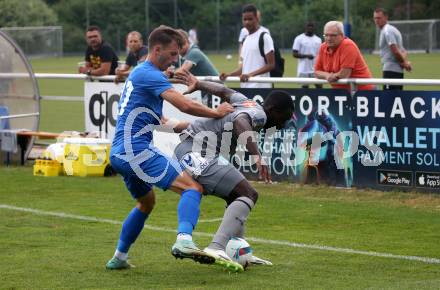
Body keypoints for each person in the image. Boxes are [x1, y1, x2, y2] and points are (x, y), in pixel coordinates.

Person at [105, 25, 239, 272]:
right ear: (157, 50)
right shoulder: (149, 74)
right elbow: (185, 104)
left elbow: (166, 123)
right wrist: (216, 112)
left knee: (147, 203)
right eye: (173, 53)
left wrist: (204, 126)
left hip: (119, 154)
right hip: (136, 150)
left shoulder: (142, 75)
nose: (176, 59)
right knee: (193, 187)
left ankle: (119, 257)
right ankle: (184, 241)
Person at [172, 70, 294, 267]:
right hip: (195, 150)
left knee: (237, 195)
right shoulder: (260, 115)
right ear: (272, 109)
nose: (283, 123)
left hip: (193, 148)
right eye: (284, 117)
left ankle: (240, 250)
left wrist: (199, 83)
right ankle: (216, 247)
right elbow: (239, 121)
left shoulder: (248, 102)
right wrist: (257, 155)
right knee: (249, 193)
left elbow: (223, 90)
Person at [220, 4, 275, 88]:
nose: (247, 22)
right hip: (246, 88)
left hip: (261, 89)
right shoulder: (245, 40)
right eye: (244, 19)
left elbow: (271, 64)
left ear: (257, 18)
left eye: (250, 19)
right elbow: (243, 68)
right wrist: (229, 75)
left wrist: (250, 75)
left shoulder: (264, 37)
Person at [314, 21, 375, 91]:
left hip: (364, 92)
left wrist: (332, 76)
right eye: (326, 35)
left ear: (342, 35)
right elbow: (316, 72)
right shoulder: (323, 47)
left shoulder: (347, 45)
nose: (328, 38)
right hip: (341, 93)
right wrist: (327, 75)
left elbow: (345, 74)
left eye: (332, 35)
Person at [373, 7, 412, 90]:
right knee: (396, 100)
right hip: (397, 71)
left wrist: (404, 63)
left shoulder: (387, 31)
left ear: (386, 17)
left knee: (388, 100)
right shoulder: (392, 29)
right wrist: (404, 63)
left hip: (390, 71)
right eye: (375, 18)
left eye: (379, 18)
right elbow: (404, 51)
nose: (376, 20)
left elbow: (395, 51)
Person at [292, 22, 322, 88]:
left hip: (316, 69)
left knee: (319, 87)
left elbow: (320, 54)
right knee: (305, 89)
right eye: (308, 26)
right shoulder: (299, 38)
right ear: (305, 27)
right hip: (303, 69)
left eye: (312, 26)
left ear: (314, 28)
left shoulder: (318, 40)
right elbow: (294, 54)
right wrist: (306, 56)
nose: (310, 27)